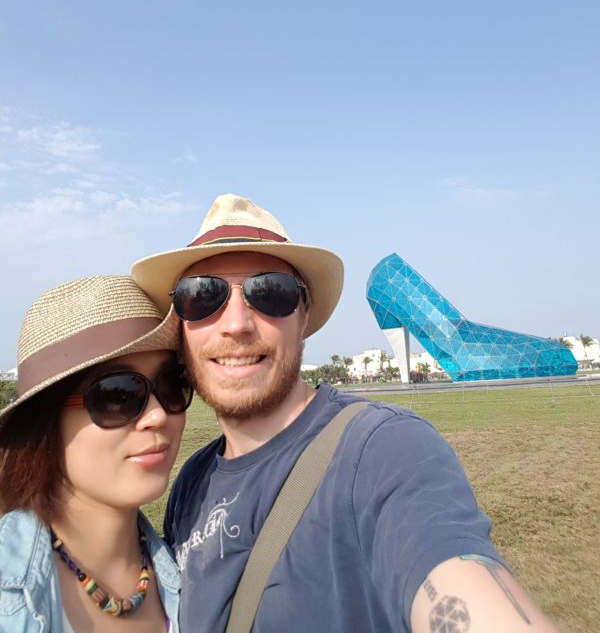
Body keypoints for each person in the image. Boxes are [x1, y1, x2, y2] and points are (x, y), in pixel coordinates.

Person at [131, 193, 559, 633]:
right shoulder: (192, 483)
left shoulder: (384, 451)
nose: (237, 323)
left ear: (304, 316)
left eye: (270, 293)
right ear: (180, 325)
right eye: (201, 296)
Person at [0, 275, 193, 633]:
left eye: (171, 384)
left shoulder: (193, 573)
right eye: (118, 395)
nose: (157, 415)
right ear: (45, 423)